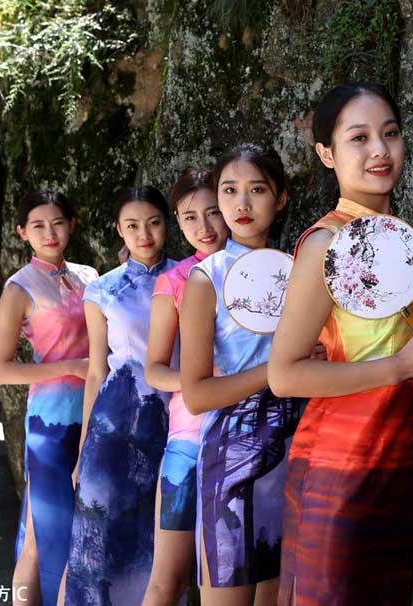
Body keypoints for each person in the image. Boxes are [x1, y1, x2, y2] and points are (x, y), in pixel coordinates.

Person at [267, 83, 413, 606]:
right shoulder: (325, 245)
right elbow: (285, 374)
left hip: (398, 461)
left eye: (390, 134)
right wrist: (397, 368)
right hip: (338, 466)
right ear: (327, 153)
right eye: (359, 137)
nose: (380, 151)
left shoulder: (406, 243)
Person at [180, 145, 303, 606]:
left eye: (257, 190)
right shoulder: (205, 279)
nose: (241, 205)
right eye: (229, 191)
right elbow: (195, 394)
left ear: (281, 198)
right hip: (231, 453)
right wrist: (276, 371)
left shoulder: (303, 271)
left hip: (297, 446)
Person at [61, 186, 177, 606]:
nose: (144, 234)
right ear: (118, 230)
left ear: (168, 224)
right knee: (97, 538)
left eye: (153, 223)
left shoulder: (187, 277)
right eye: (132, 226)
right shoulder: (103, 290)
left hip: (174, 421)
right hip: (112, 427)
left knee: (156, 539)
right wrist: (81, 450)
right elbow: (97, 370)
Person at [0, 191, 98, 606]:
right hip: (49, 426)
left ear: (72, 224)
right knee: (54, 536)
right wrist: (69, 367)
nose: (49, 233)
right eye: (38, 226)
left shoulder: (90, 277)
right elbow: (0, 370)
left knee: (38, 535)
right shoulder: (19, 288)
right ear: (22, 233)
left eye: (57, 223)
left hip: (91, 416)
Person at [142, 170, 229, 605]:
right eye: (190, 217)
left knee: (232, 573)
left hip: (251, 431)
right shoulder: (174, 281)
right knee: (168, 577)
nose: (205, 227)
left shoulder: (258, 268)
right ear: (177, 221)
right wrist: (200, 382)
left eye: (214, 212)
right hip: (189, 437)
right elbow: (154, 369)